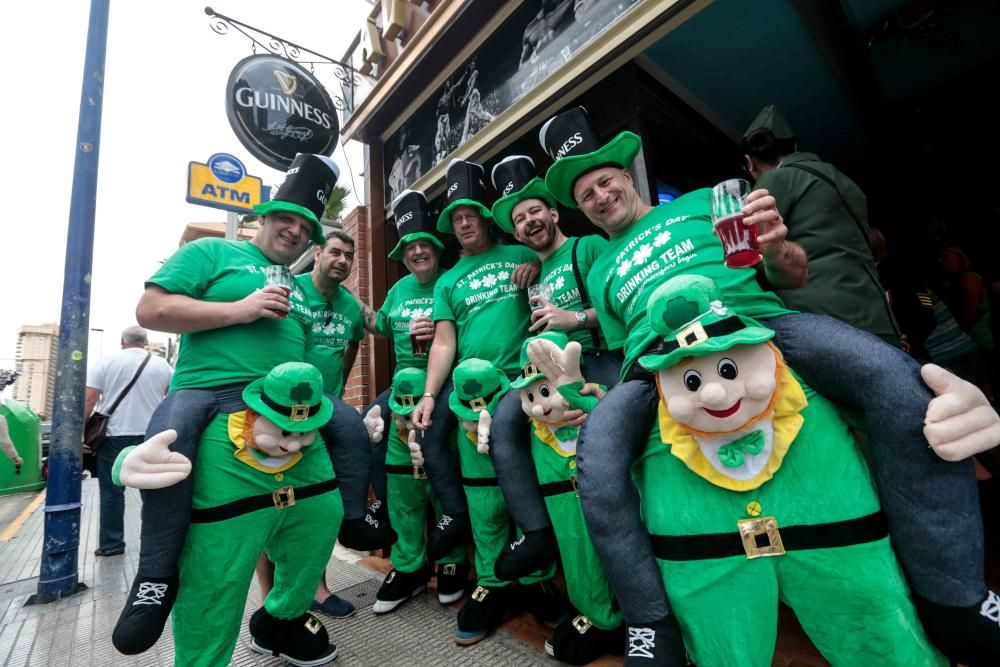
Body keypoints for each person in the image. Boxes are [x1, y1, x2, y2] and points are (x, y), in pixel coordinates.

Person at [538, 106, 1000, 666]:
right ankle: (650, 627)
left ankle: (955, 599)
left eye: (605, 181)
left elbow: (790, 276)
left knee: (900, 385)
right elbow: (620, 347)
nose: (599, 196)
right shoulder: (602, 265)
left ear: (626, 177)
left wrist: (778, 247)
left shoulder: (704, 203)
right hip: (655, 361)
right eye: (585, 194)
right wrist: (595, 394)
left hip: (759, 322)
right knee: (598, 461)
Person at [114, 154, 386, 655]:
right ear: (265, 217)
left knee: (321, 515)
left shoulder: (301, 287)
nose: (294, 230)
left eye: (305, 226)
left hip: (288, 417)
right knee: (215, 557)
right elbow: (151, 309)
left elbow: (326, 338)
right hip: (215, 406)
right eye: (286, 218)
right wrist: (240, 309)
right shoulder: (214, 253)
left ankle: (280, 618)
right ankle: (154, 580)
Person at [411, 158, 563, 645]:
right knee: (482, 491)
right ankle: (493, 584)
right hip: (469, 396)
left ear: (487, 216)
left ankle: (538, 579)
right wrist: (431, 395)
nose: (463, 221)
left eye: (471, 212)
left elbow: (554, 266)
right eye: (455, 217)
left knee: (530, 483)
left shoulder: (522, 252)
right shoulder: (448, 282)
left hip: (525, 385)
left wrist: (536, 264)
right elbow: (442, 343)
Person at [485, 154, 619, 576]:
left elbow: (620, 307)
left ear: (555, 213)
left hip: (598, 360)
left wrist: (574, 318)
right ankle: (537, 531)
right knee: (504, 424)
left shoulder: (590, 246)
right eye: (520, 219)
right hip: (545, 375)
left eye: (535, 211)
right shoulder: (532, 272)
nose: (528, 221)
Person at [256, 228, 370, 619]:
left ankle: (317, 589)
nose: (342, 260)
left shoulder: (351, 307)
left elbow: (353, 343)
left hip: (324, 416)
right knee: (275, 504)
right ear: (318, 252)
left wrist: (336, 395)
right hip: (278, 417)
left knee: (317, 505)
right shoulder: (292, 288)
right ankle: (270, 599)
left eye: (348, 256)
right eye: (335, 252)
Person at [742, 104, 901, 345]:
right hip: (876, 312)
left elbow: (755, 251)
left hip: (827, 321)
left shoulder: (775, 179)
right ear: (795, 147)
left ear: (749, 163)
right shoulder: (843, 180)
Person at [84, 325, 172, 557]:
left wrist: (80, 433)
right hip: (151, 434)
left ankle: (112, 545)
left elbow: (89, 399)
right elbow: (171, 398)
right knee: (152, 491)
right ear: (145, 342)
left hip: (113, 434)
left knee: (112, 492)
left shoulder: (106, 362)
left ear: (122, 341)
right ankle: (156, 542)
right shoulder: (162, 365)